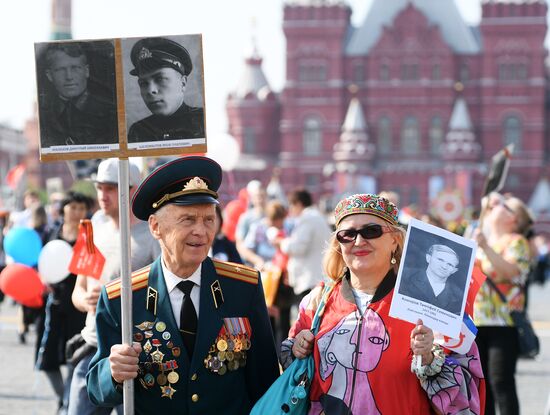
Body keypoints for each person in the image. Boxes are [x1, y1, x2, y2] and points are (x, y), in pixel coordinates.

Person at [87, 156, 279, 414]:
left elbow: (264, 381)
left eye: (209, 219)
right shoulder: (122, 297)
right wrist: (114, 372)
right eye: (188, 220)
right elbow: (96, 389)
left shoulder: (242, 287)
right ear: (156, 227)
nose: (201, 231)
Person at [281, 193, 484, 414]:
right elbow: (291, 372)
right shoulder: (317, 300)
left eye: (371, 231)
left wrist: (429, 361)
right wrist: (298, 347)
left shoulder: (433, 303)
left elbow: (468, 390)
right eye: (347, 234)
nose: (359, 241)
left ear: (394, 240)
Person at [68, 159, 160, 415]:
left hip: (135, 351)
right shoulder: (91, 228)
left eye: (111, 188)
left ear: (131, 190)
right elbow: (78, 290)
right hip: (93, 345)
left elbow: (161, 295)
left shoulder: (153, 232)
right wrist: (86, 299)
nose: (102, 195)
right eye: (99, 187)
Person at [473, 193, 533, 415]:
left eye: (505, 206)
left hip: (503, 322)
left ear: (514, 219)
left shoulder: (517, 242)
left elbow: (513, 272)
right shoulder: (481, 238)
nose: (498, 206)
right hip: (476, 320)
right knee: (481, 385)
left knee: (501, 381)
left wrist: (486, 248)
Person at [36, 191, 90, 413]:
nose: (77, 212)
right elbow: (43, 259)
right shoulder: (52, 231)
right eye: (73, 207)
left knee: (75, 357)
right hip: (55, 303)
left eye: (81, 208)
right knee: (47, 359)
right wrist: (43, 278)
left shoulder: (89, 233)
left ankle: (69, 403)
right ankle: (63, 398)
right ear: (64, 209)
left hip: (78, 304)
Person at [38, 42, 118, 148]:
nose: (69, 77)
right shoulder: (44, 118)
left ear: (86, 71)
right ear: (49, 76)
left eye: (75, 68)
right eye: (61, 70)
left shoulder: (110, 113)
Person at [127, 37, 205, 143]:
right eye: (143, 83)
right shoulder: (138, 131)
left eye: (160, 79)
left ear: (183, 83)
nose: (150, 90)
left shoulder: (202, 121)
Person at [278, 189, 332, 303]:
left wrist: (281, 242)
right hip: (317, 276)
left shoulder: (307, 218)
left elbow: (298, 247)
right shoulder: (317, 216)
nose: (290, 209)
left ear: (298, 204)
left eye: (291, 205)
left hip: (309, 279)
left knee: (307, 317)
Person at [399, 244, 464, 315]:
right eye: (440, 260)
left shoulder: (459, 296)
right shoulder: (405, 276)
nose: (444, 266)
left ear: (454, 270)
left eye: (450, 264)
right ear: (428, 258)